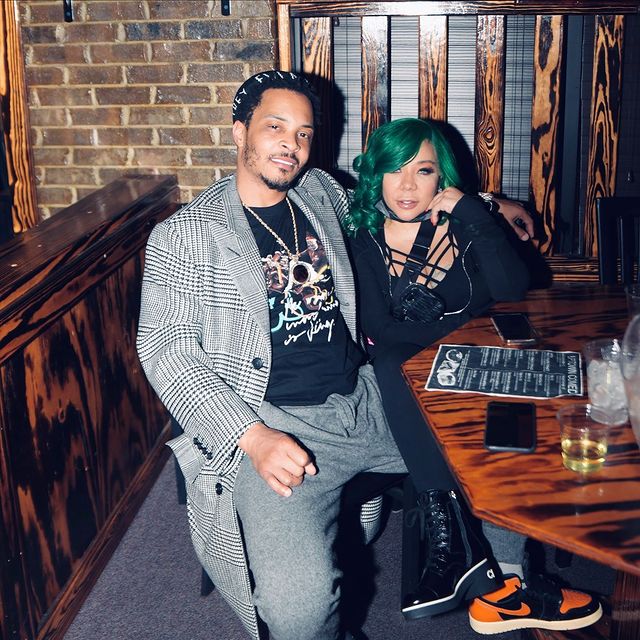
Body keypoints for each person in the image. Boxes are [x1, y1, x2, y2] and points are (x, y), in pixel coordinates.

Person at [136, 70, 417, 640]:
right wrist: (251, 436)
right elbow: (165, 349)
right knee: (298, 608)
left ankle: (505, 587)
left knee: (495, 444)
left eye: (304, 134)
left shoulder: (320, 192)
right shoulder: (185, 235)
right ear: (239, 132)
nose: (292, 145)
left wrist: (485, 206)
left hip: (365, 399)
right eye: (275, 128)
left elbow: (393, 203)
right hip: (272, 423)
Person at [345, 117, 602, 634]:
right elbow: (380, 329)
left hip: (479, 375)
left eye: (423, 171)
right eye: (394, 170)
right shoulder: (363, 238)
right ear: (376, 175)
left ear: (442, 177)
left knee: (508, 419)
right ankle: (499, 582)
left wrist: (474, 212)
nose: (407, 186)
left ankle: (495, 578)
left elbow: (512, 289)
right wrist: (458, 327)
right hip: (412, 385)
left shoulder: (464, 223)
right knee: (395, 362)